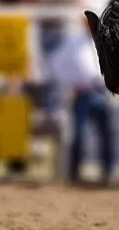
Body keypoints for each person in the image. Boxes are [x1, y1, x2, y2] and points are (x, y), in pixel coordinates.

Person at [47, 16, 115, 185]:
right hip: (83, 93)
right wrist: (71, 83)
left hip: (101, 93)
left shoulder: (105, 43)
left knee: (106, 135)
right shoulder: (74, 42)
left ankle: (107, 172)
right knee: (80, 135)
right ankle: (75, 173)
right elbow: (56, 63)